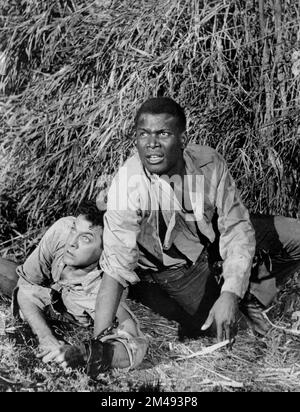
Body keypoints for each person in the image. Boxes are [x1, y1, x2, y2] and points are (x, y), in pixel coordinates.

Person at [94, 96, 300, 344]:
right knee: (233, 332)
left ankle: (249, 294)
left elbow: (237, 227)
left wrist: (231, 293)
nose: (151, 144)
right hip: (175, 267)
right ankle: (220, 302)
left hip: (212, 238)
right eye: (143, 134)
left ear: (183, 139)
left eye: (163, 134)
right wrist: (100, 343)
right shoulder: (129, 184)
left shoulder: (208, 162)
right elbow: (116, 267)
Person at [0, 201, 148, 377]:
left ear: (107, 250)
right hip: (48, 290)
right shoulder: (63, 229)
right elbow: (26, 284)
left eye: (85, 238)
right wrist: (46, 337)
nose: (71, 243)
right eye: (74, 230)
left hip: (64, 309)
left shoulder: (105, 290)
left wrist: (83, 353)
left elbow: (135, 346)